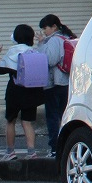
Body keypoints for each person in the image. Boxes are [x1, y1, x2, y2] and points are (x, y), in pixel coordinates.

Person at [0, 24, 45, 160]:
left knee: (10, 121)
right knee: (27, 122)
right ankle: (31, 152)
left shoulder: (12, 52)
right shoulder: (34, 52)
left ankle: (10, 152)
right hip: (31, 92)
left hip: (14, 91)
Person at [37, 14, 75, 158]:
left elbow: (50, 60)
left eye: (45, 28)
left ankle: (54, 149)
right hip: (66, 82)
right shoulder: (67, 37)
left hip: (54, 84)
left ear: (54, 27)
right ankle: (65, 147)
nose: (43, 31)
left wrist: (41, 45)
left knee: (53, 117)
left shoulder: (54, 40)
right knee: (64, 116)